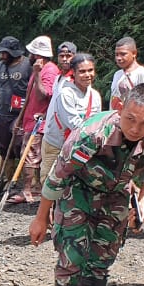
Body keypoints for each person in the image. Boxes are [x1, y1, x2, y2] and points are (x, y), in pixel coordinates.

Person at [29, 83, 144, 286]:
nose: (135, 128)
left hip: (117, 194)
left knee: (103, 256)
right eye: (130, 119)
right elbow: (58, 176)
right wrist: (41, 217)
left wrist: (143, 201)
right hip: (78, 190)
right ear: (120, 109)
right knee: (72, 256)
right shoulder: (92, 134)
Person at [9, 36, 60, 204]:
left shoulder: (50, 70)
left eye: (31, 53)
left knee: (30, 157)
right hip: (30, 121)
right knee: (29, 155)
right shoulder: (38, 70)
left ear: (37, 55)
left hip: (41, 123)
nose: (28, 56)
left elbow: (44, 95)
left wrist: (38, 74)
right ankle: (34, 189)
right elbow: (30, 97)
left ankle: (29, 191)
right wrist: (20, 119)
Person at [38, 53, 101, 187]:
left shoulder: (95, 95)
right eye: (82, 71)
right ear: (74, 73)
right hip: (56, 143)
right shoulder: (65, 94)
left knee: (73, 184)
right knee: (49, 181)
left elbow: (97, 122)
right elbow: (74, 124)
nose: (87, 75)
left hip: (79, 146)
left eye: (90, 70)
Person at [0, 36, 31, 164]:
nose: (1, 56)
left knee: (19, 145)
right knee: (3, 147)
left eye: (4, 53)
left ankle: (25, 176)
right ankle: (7, 178)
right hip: (2, 113)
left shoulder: (28, 64)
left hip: (21, 113)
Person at [110, 37, 144, 111]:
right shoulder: (117, 74)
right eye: (116, 55)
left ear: (134, 53)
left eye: (123, 54)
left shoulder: (142, 73)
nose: (118, 58)